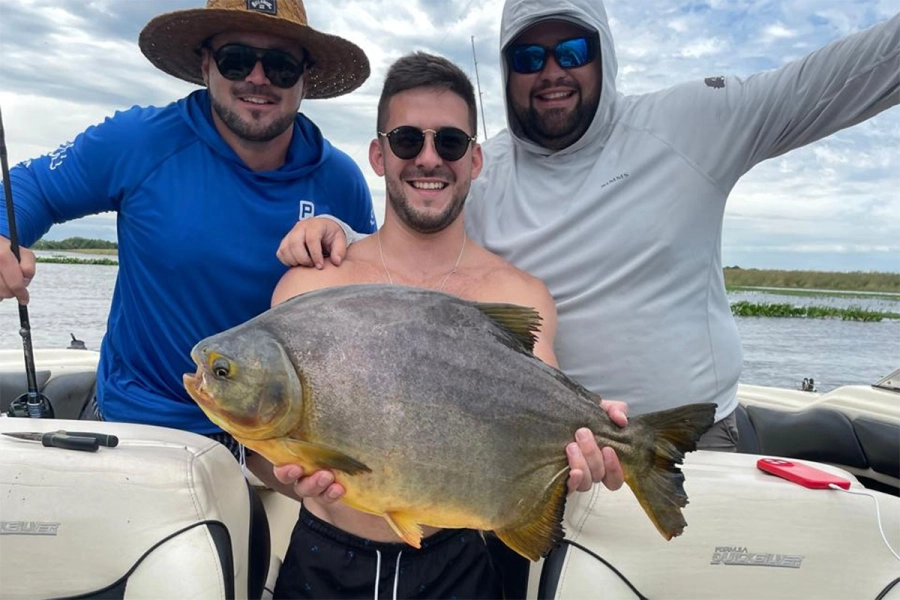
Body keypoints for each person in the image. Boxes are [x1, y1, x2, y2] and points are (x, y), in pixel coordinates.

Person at [276, 0, 900, 452]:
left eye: (572, 50)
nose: (551, 71)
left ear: (604, 53)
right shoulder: (479, 174)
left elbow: (833, 81)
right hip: (539, 449)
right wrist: (339, 234)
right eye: (528, 56)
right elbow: (411, 248)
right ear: (506, 69)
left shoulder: (695, 123)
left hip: (694, 435)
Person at [268, 51, 627, 599]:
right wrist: (288, 478)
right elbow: (269, 450)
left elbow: (545, 425)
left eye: (451, 143)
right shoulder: (310, 286)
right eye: (408, 140)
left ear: (476, 160)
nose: (429, 159)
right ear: (378, 154)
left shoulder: (519, 293)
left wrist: (588, 449)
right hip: (325, 557)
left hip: (463, 560)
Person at [0, 0, 377, 482]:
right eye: (236, 60)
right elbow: (30, 188)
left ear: (305, 77)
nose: (258, 79)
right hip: (149, 428)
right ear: (205, 63)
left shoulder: (340, 180)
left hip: (284, 442)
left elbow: (368, 299)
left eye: (281, 66)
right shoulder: (140, 141)